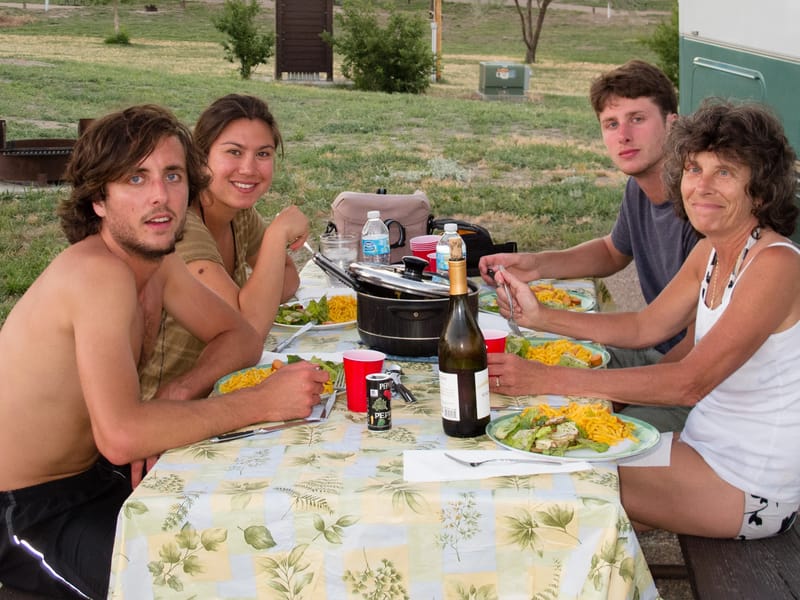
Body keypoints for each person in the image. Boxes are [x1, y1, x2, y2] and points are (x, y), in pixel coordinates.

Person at [0, 105, 329, 599]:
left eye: (172, 175)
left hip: (94, 477)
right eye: (136, 178)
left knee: (249, 544)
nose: (160, 195)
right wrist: (263, 402)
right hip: (27, 510)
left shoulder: (159, 260)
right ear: (98, 200)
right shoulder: (97, 274)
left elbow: (239, 337)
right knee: (178, 583)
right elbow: (122, 434)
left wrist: (179, 392)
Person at [489, 100, 800, 539]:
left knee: (554, 478)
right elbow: (643, 328)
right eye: (694, 169)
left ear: (762, 191)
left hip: (749, 487)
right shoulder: (712, 250)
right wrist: (540, 316)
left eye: (724, 173)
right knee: (549, 458)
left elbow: (688, 383)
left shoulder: (776, 264)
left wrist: (545, 377)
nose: (702, 186)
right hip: (700, 449)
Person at [478, 60, 698, 432]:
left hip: (689, 384)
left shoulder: (702, 210)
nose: (623, 135)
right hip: (650, 352)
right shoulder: (639, 188)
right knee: (520, 385)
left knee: (575, 430)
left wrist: (615, 394)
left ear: (672, 123)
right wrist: (536, 264)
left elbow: (689, 363)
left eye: (637, 119)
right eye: (611, 124)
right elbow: (614, 251)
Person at [139, 94, 308, 400]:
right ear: (201, 157)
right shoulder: (181, 226)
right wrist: (276, 234)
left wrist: (250, 299)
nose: (248, 168)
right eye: (234, 151)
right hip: (162, 405)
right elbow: (248, 331)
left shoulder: (238, 212)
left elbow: (288, 276)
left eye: (263, 154)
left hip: (215, 390)